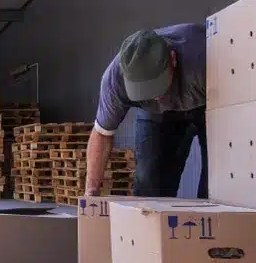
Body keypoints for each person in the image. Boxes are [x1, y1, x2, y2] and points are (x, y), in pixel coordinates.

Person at [85, 24, 207, 198]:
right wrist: (91, 192)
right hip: (158, 115)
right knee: (149, 182)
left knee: (216, 182)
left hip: (209, 106)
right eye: (145, 91)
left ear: (172, 59)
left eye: (157, 86)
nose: (156, 96)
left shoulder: (202, 55)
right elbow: (102, 134)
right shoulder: (114, 80)